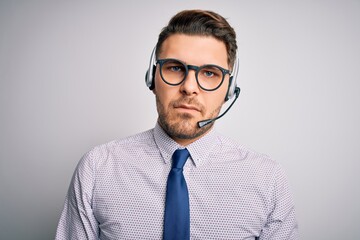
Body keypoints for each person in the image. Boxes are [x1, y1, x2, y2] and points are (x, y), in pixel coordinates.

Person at [55, 9, 298, 240]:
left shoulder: (268, 179)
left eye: (210, 73)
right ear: (152, 78)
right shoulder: (97, 168)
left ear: (229, 90)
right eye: (174, 68)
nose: (189, 87)